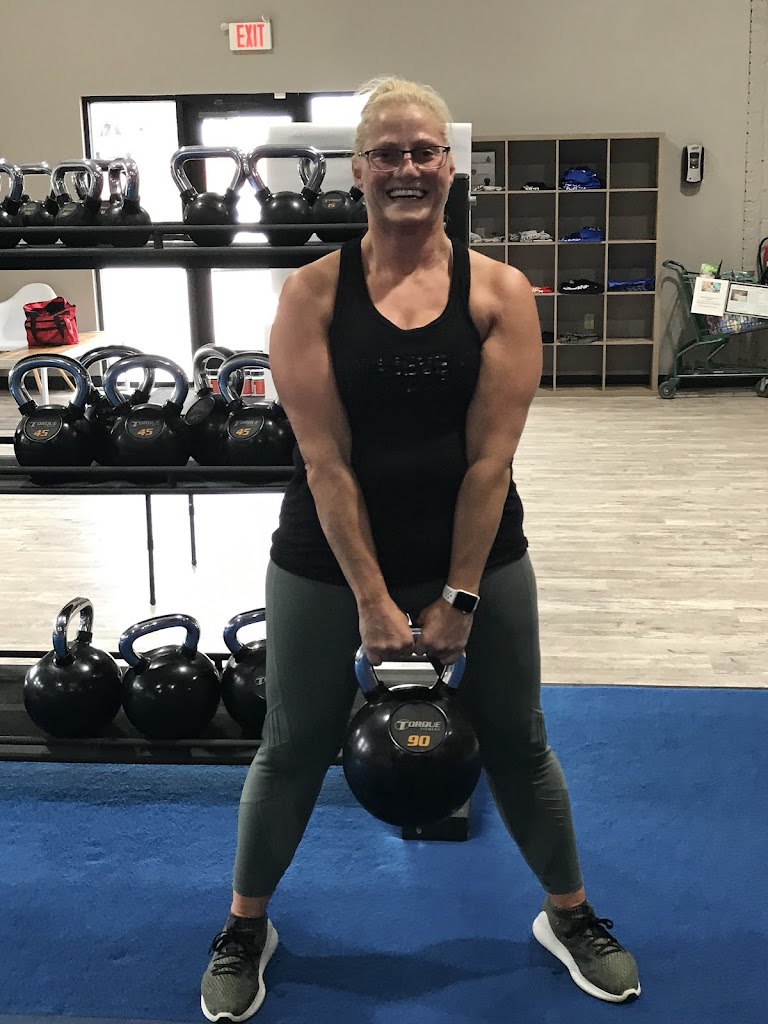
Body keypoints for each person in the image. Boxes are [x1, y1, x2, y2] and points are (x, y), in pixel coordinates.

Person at [200, 76, 640, 1021]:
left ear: (450, 167)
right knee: (292, 746)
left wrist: (461, 596)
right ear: (358, 171)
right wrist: (371, 598)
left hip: (476, 548)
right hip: (328, 554)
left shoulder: (499, 291)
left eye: (424, 151)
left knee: (519, 740)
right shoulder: (312, 294)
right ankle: (244, 926)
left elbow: (491, 460)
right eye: (388, 153)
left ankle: (569, 915)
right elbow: (323, 459)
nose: (408, 168)